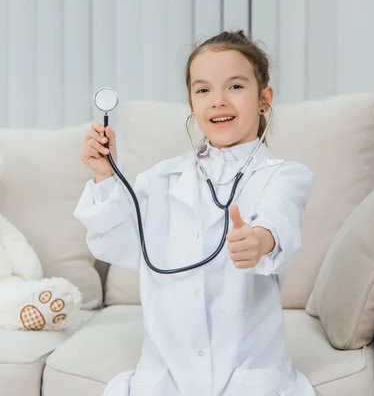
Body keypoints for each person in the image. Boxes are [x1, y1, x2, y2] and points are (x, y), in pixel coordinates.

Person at [73, 30, 316, 396]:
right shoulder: (161, 179)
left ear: (264, 99)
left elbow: (278, 217)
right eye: (203, 90)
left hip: (247, 366)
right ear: (190, 103)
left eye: (235, 86)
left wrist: (260, 240)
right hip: (168, 366)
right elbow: (115, 244)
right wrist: (105, 175)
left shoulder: (283, 175)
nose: (217, 101)